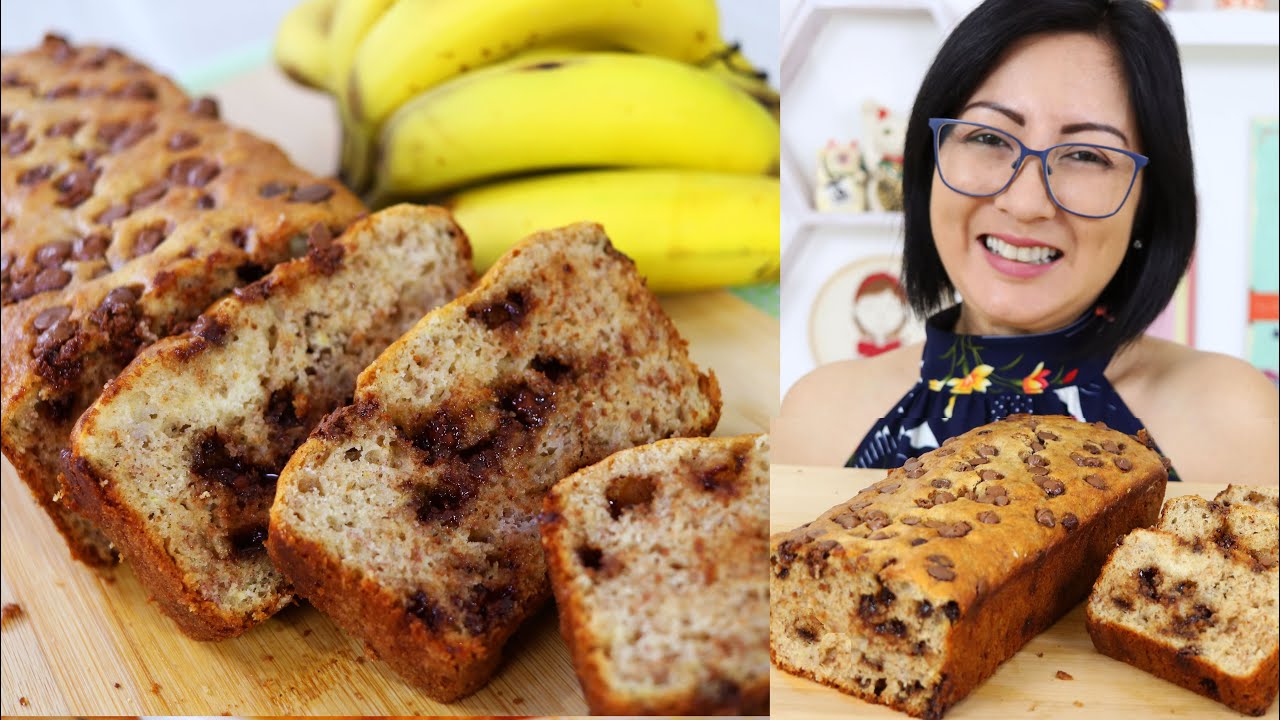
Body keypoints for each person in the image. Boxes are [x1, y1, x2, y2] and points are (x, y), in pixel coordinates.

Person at [774, 0, 1279, 485]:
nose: (1026, 201)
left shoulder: (1236, 424)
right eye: (989, 138)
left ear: (1148, 202)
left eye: (1086, 155)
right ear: (929, 164)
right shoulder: (817, 421)